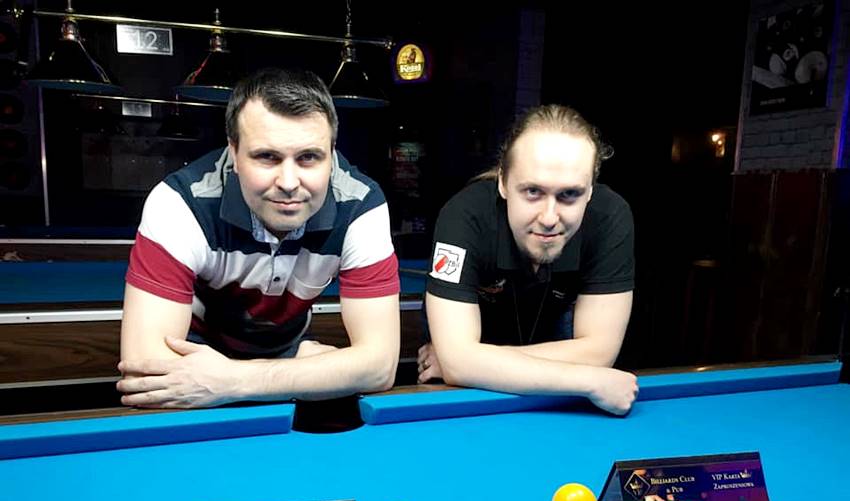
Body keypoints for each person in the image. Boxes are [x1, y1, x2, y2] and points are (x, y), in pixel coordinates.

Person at [117, 68, 400, 409]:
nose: (289, 182)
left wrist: (234, 380)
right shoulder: (180, 203)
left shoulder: (361, 204)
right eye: (267, 157)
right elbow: (145, 372)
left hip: (285, 354)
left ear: (332, 153)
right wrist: (314, 372)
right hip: (194, 355)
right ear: (234, 152)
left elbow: (380, 366)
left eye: (309, 157)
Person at [418, 104, 637, 415]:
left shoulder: (610, 217)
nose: (549, 218)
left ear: (590, 190)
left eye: (570, 194)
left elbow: (598, 353)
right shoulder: (464, 216)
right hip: (473, 365)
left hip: (547, 337)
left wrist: (472, 362)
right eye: (533, 191)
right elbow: (457, 364)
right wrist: (589, 380)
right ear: (503, 182)